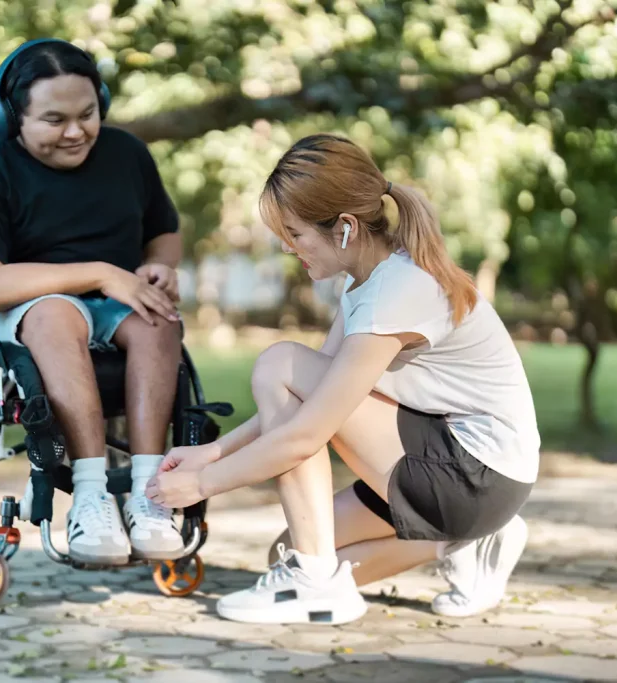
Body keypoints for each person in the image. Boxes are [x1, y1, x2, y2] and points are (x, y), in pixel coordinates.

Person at [145, 133, 540, 625]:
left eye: (296, 234)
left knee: (279, 362)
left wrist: (203, 483)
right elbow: (305, 403)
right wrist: (210, 453)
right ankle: (460, 542)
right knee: (288, 549)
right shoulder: (368, 284)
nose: (289, 248)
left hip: (474, 474)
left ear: (346, 228)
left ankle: (316, 584)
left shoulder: (396, 291)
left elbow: (307, 432)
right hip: (457, 470)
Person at [0, 38, 187, 567]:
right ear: (11, 119)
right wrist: (100, 272)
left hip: (118, 306)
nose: (76, 132)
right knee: (55, 313)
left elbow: (164, 233)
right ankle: (91, 496)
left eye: (88, 114)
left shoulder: (127, 154)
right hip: (32, 310)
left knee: (158, 319)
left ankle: (150, 495)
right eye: (54, 120)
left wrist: (161, 268)